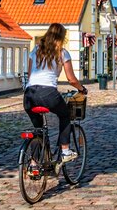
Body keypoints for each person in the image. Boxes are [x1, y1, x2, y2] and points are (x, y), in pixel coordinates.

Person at [24, 23, 88, 162]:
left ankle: (34, 163)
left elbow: (30, 76)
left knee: (38, 129)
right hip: (48, 94)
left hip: (29, 94)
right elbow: (71, 79)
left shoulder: (35, 51)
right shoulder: (62, 53)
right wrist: (81, 89)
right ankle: (65, 150)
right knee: (65, 115)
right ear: (62, 37)